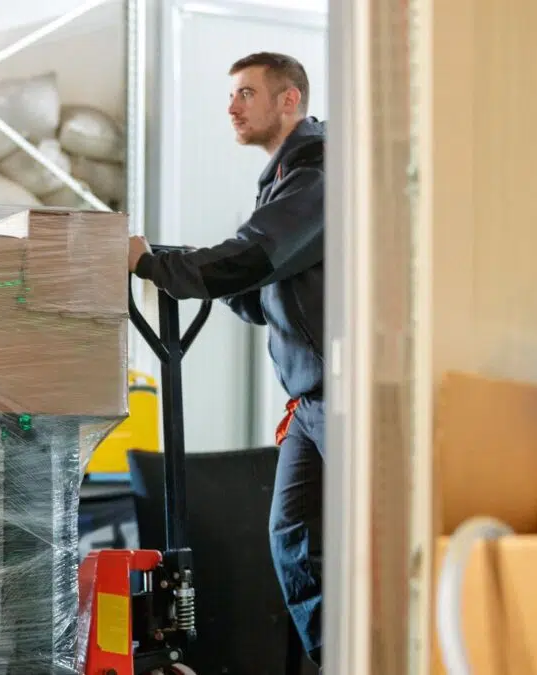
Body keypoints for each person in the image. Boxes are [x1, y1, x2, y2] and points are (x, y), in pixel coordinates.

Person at [128, 51, 325, 669]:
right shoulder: (285, 175)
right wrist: (211, 276)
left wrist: (154, 265)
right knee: (294, 537)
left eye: (246, 93)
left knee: (325, 540)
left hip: (343, 397)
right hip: (311, 403)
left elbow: (257, 252)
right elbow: (261, 283)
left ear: (288, 99)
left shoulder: (318, 169)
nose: (232, 106)